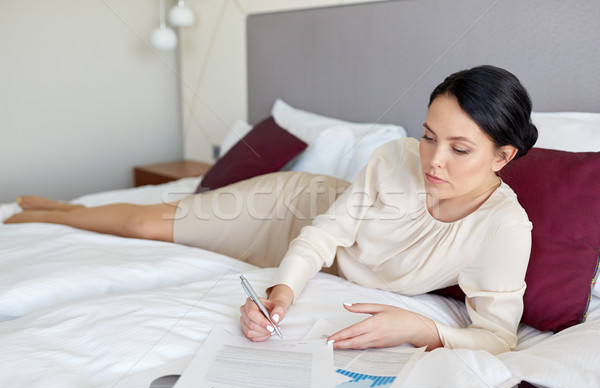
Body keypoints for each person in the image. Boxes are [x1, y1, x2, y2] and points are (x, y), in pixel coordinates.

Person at [5, 65, 537, 355]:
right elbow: (324, 231)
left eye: (459, 149)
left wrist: (422, 329)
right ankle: (51, 213)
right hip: (295, 207)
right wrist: (282, 287)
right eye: (428, 137)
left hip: (322, 251)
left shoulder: (505, 228)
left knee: (153, 223)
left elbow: (497, 337)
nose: (434, 160)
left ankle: (57, 207)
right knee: (147, 223)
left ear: (503, 155)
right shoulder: (395, 158)